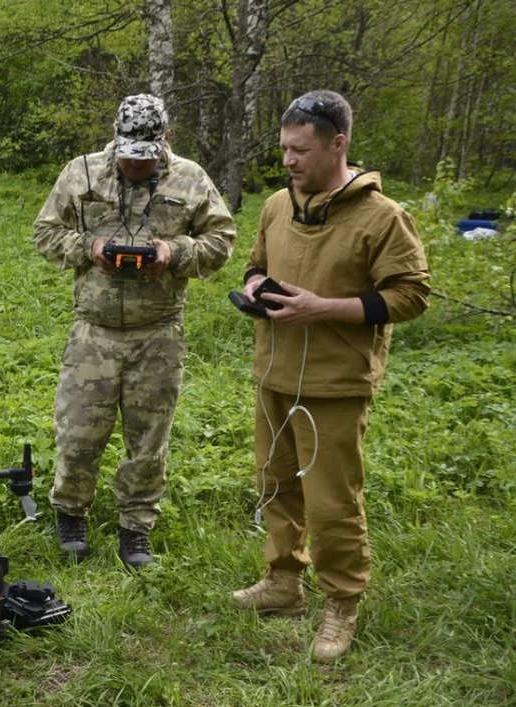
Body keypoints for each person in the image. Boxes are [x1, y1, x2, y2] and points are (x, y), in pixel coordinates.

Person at [231, 90, 430, 662]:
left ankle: (341, 601)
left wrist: (322, 307)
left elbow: (411, 294)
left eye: (301, 150)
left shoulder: (382, 217)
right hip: (274, 372)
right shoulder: (276, 204)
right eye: (284, 149)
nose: (289, 161)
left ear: (338, 143)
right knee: (275, 484)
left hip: (335, 383)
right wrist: (253, 286)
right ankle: (283, 582)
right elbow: (257, 263)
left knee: (331, 504)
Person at [33, 94, 235, 569]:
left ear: (165, 141)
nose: (134, 167)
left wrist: (174, 252)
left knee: (148, 440)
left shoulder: (190, 178)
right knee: (78, 434)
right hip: (93, 331)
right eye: (127, 157)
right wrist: (89, 245)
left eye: (143, 159)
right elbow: (44, 233)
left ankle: (136, 528)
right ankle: (71, 515)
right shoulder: (81, 173)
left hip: (158, 332)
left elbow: (222, 240)